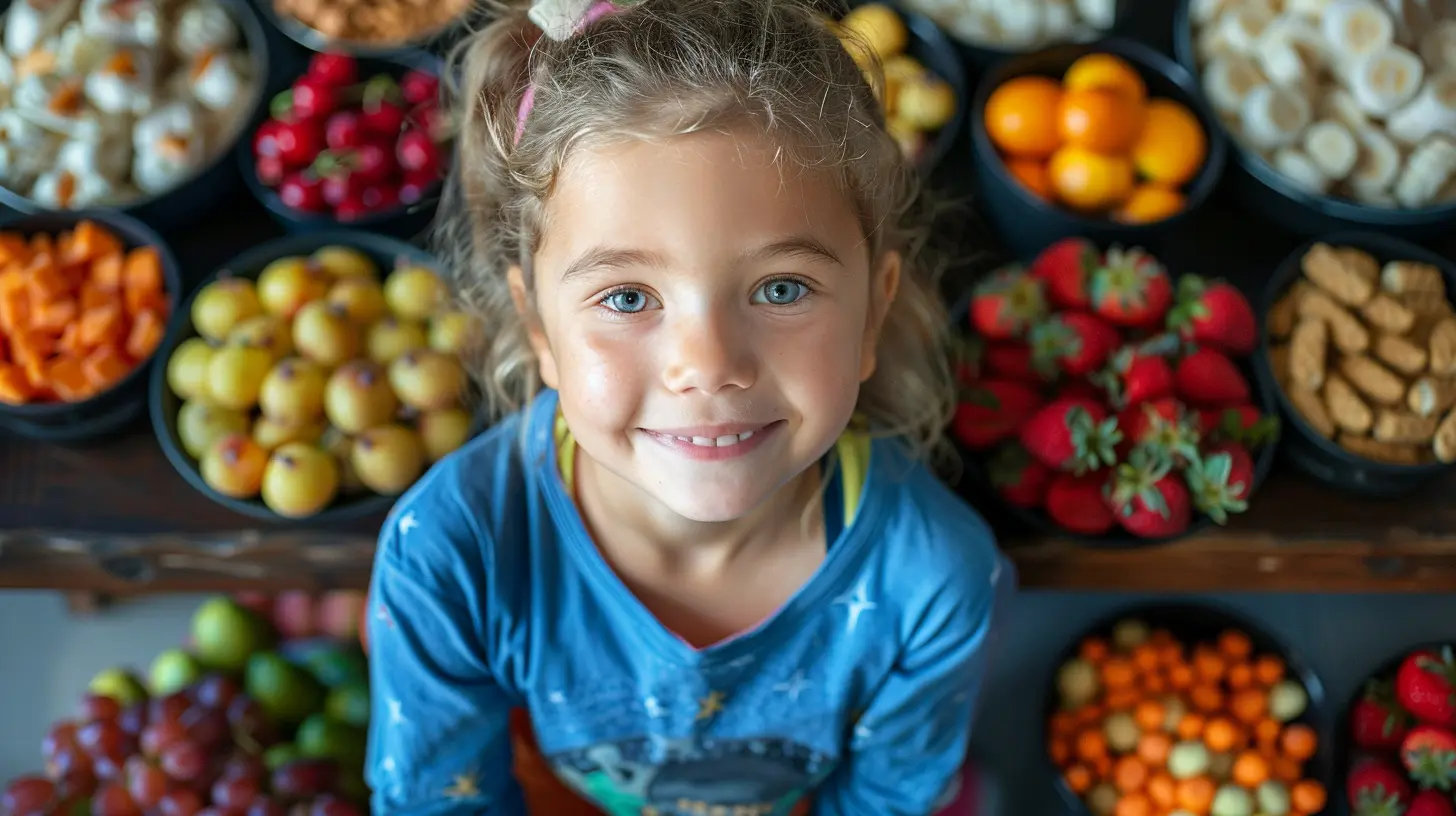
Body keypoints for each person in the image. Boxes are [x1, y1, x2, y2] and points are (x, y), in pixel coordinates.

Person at [365, 0, 1013, 812]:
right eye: (628, 296)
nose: (707, 368)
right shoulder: (450, 557)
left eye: (781, 289)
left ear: (873, 311)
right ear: (538, 326)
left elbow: (884, 801)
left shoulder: (933, 580)